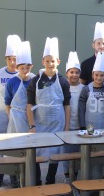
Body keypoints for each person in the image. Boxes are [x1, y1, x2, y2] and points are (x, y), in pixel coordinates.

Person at [27, 37, 71, 185]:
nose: (50, 64)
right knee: (37, 150)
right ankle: (37, 178)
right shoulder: (36, 80)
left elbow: (67, 105)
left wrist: (66, 127)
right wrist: (32, 125)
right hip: (40, 122)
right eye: (47, 61)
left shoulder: (63, 81)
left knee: (55, 151)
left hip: (57, 122)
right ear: (43, 62)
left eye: (53, 61)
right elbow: (29, 104)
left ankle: (50, 178)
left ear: (58, 62)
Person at [0, 34, 21, 188]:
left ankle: (14, 174)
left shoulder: (23, 73)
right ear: (6, 59)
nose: (13, 62)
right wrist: (4, 108)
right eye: (10, 58)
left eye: (15, 58)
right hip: (1, 114)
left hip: (17, 115)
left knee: (14, 145)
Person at [78, 52, 104, 179]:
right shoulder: (86, 89)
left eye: (101, 75)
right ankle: (86, 177)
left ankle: (99, 176)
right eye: (96, 75)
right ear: (92, 75)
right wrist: (82, 124)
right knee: (88, 153)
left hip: (103, 124)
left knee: (102, 152)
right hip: (89, 125)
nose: (99, 78)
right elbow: (81, 107)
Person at [63, 51, 84, 180]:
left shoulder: (84, 88)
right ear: (67, 73)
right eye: (71, 72)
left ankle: (77, 177)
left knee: (78, 153)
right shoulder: (62, 86)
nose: (74, 75)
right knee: (66, 153)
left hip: (80, 126)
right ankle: (68, 178)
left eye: (77, 72)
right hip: (67, 126)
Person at [6, 41, 35, 134]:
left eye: (28, 68)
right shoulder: (11, 82)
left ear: (31, 67)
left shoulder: (34, 81)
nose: (25, 70)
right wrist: (11, 117)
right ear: (17, 68)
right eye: (22, 68)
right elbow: (7, 102)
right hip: (15, 117)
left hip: (30, 117)